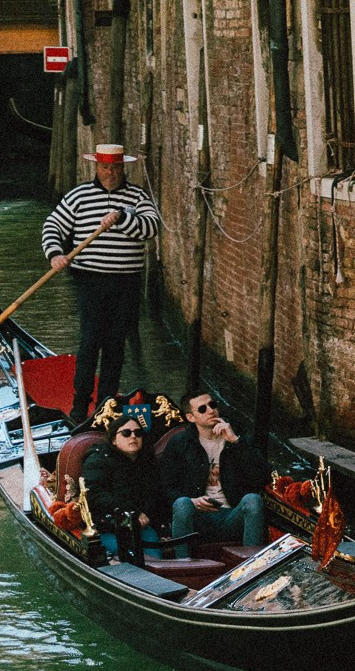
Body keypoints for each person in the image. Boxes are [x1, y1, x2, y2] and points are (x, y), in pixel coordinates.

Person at [41, 143, 163, 423]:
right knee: (90, 340)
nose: (110, 173)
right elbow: (52, 226)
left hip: (126, 282)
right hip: (90, 280)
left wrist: (122, 218)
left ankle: (106, 405)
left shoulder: (137, 197)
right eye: (105, 167)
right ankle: (79, 403)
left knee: (115, 344)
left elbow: (151, 228)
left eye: (115, 167)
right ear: (97, 167)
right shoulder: (79, 196)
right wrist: (55, 254)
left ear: (123, 168)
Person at [160, 390, 268, 552]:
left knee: (253, 500)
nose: (211, 410)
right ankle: (183, 561)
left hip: (232, 515)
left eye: (212, 405)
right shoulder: (180, 443)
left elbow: (262, 476)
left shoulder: (238, 435)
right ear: (191, 417)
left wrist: (235, 442)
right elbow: (166, 488)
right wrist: (193, 501)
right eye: (202, 409)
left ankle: (252, 563)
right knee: (182, 503)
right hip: (198, 519)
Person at [80, 415, 168, 563]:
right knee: (128, 556)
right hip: (108, 527)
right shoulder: (97, 460)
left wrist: (146, 514)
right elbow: (95, 495)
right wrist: (134, 512)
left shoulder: (146, 460)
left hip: (142, 527)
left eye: (138, 433)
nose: (133, 437)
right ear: (114, 440)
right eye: (126, 433)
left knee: (153, 560)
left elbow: (155, 493)